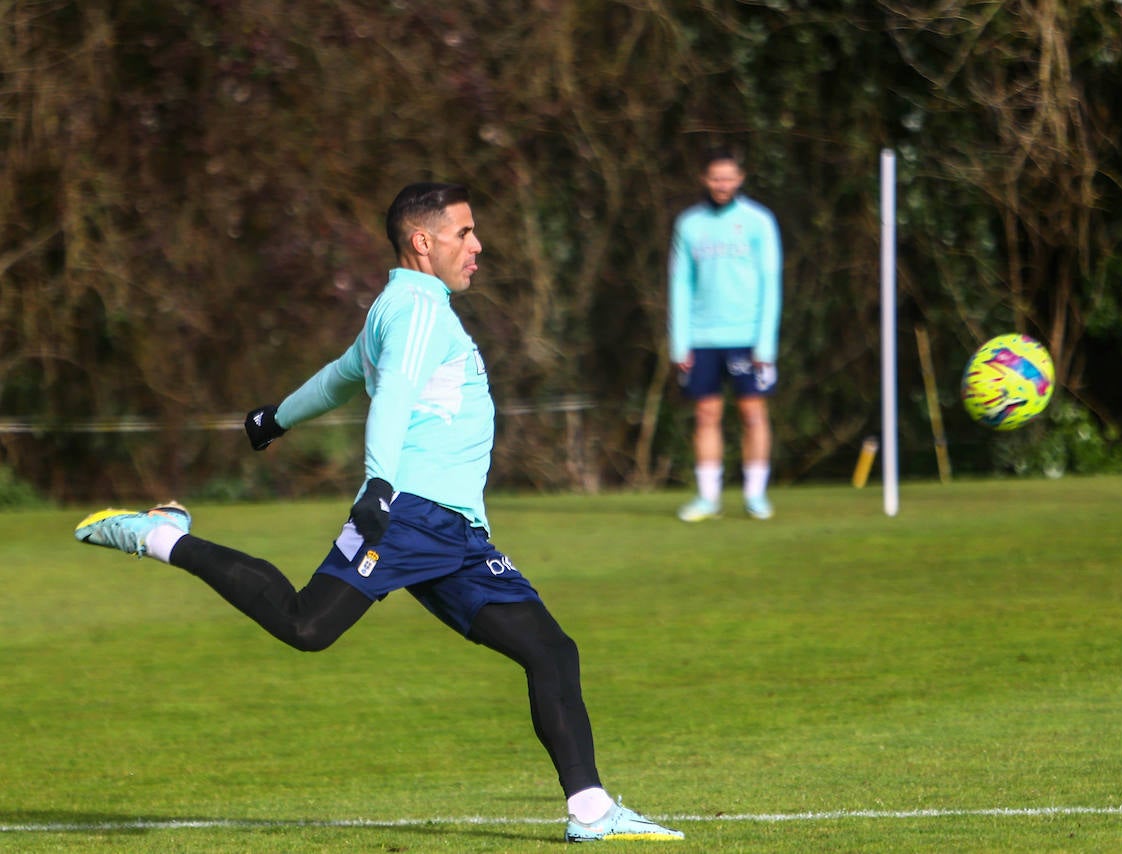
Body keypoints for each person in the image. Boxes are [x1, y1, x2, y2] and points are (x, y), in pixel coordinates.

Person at [74, 182, 683, 844]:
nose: (477, 246)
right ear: (424, 242)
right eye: (464, 234)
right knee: (308, 626)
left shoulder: (402, 309)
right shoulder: (417, 312)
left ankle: (591, 812)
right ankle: (163, 537)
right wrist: (379, 484)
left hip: (456, 535)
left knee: (550, 651)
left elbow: (341, 375)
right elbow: (387, 394)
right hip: (411, 515)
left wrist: (275, 416)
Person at [668, 148, 782, 522]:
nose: (722, 184)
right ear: (705, 179)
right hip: (701, 337)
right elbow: (680, 283)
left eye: (729, 177)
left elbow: (771, 282)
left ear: (740, 178)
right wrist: (679, 342)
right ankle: (708, 498)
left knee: (752, 412)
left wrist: (765, 342)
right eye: (716, 178)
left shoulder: (758, 221)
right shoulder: (689, 224)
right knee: (706, 414)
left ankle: (755, 495)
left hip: (747, 335)